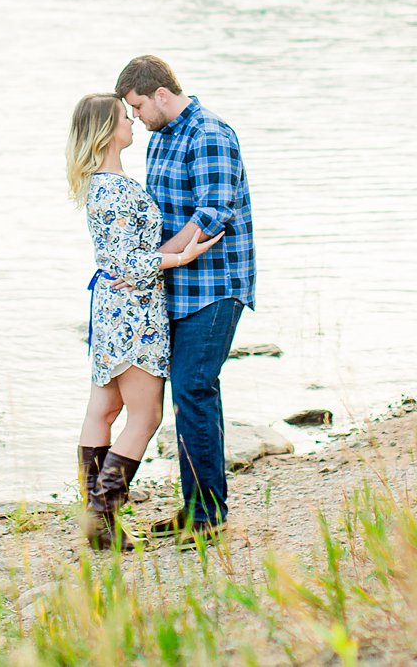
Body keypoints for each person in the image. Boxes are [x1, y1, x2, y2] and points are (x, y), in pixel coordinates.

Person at [67, 93, 220, 551]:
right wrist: (179, 256)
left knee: (105, 410)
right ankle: (102, 515)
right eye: (124, 116)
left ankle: (98, 521)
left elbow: (117, 261)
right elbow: (126, 262)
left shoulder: (104, 182)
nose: (132, 121)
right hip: (134, 313)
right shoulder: (115, 189)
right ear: (108, 130)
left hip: (112, 308)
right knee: (145, 415)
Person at [116, 54, 254, 542]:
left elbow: (213, 213)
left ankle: (208, 517)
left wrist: (155, 259)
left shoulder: (210, 134)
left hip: (216, 286)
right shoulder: (162, 138)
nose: (134, 118)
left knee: (194, 387)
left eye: (136, 107)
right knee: (187, 393)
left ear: (160, 95)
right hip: (176, 288)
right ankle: (198, 505)